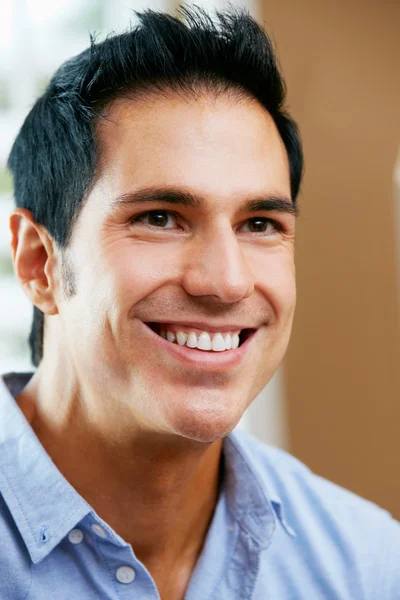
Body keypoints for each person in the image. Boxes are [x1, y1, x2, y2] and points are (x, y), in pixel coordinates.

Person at [1, 5, 399, 599]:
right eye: (160, 218)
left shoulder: (368, 565)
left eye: (260, 223)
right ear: (40, 262)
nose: (228, 282)